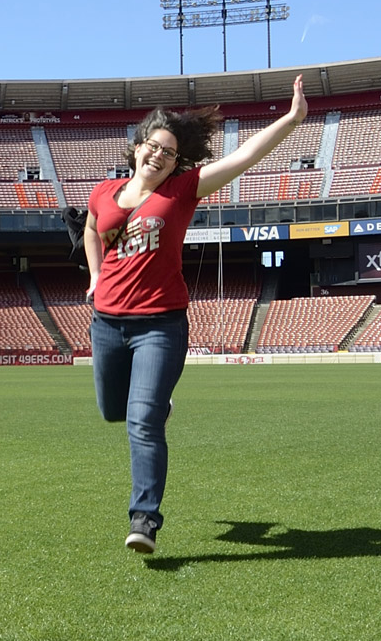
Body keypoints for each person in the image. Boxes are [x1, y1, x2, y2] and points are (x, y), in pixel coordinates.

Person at [85, 74, 309, 553]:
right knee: (113, 412)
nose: (158, 155)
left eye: (168, 152)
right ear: (137, 148)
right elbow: (90, 228)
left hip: (159, 325)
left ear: (176, 162)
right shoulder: (103, 192)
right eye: (152, 146)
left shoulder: (184, 190)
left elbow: (243, 157)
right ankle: (158, 406)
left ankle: (144, 519)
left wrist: (291, 120)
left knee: (141, 422)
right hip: (106, 324)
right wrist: (96, 275)